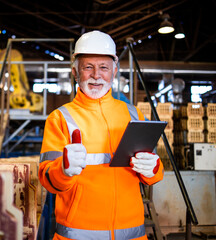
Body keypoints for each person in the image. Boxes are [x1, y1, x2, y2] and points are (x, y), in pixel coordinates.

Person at [38, 30, 164, 240]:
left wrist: (153, 168)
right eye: (88, 67)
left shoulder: (133, 113)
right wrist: (63, 169)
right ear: (75, 72)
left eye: (104, 68)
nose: (96, 75)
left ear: (114, 72)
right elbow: (47, 179)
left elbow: (154, 173)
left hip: (132, 235)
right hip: (78, 235)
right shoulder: (60, 118)